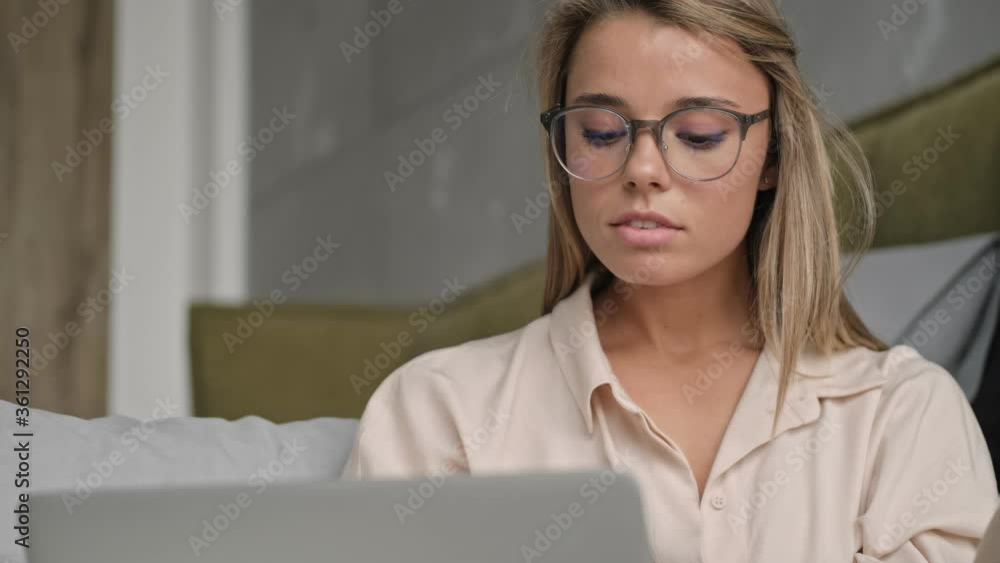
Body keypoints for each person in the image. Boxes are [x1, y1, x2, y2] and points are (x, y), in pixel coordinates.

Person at [343, 1, 999, 561]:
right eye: (601, 131)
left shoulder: (901, 419)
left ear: (773, 154)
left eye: (700, 133)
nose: (643, 169)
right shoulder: (439, 416)